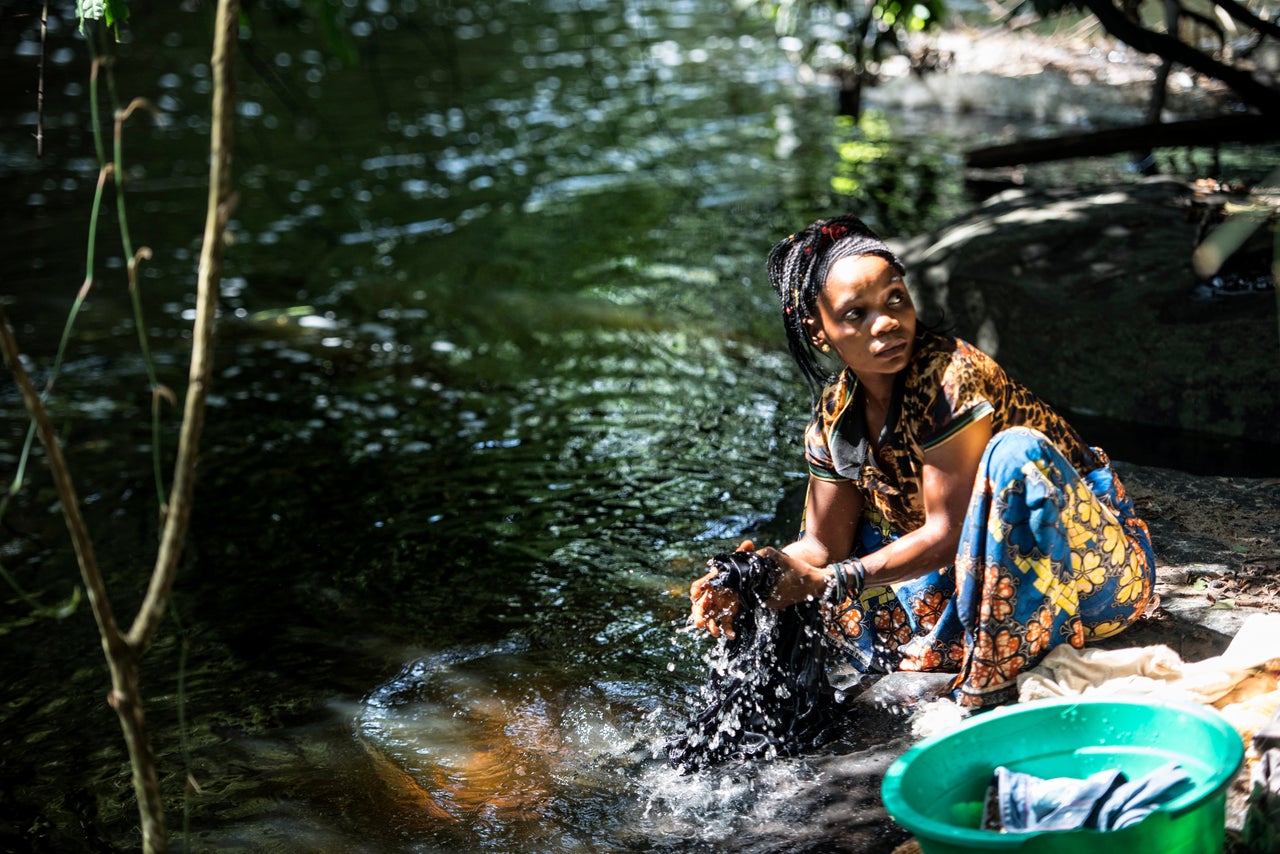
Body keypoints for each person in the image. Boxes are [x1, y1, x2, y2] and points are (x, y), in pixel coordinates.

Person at [688, 214, 1156, 709]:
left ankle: (1000, 674)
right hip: (963, 579)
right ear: (818, 332)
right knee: (794, 580)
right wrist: (747, 576)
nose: (886, 322)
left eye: (895, 299)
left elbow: (947, 533)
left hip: (1092, 576)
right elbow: (823, 545)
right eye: (856, 313)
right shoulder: (834, 413)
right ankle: (959, 643)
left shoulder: (953, 376)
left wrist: (831, 580)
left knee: (1016, 454)